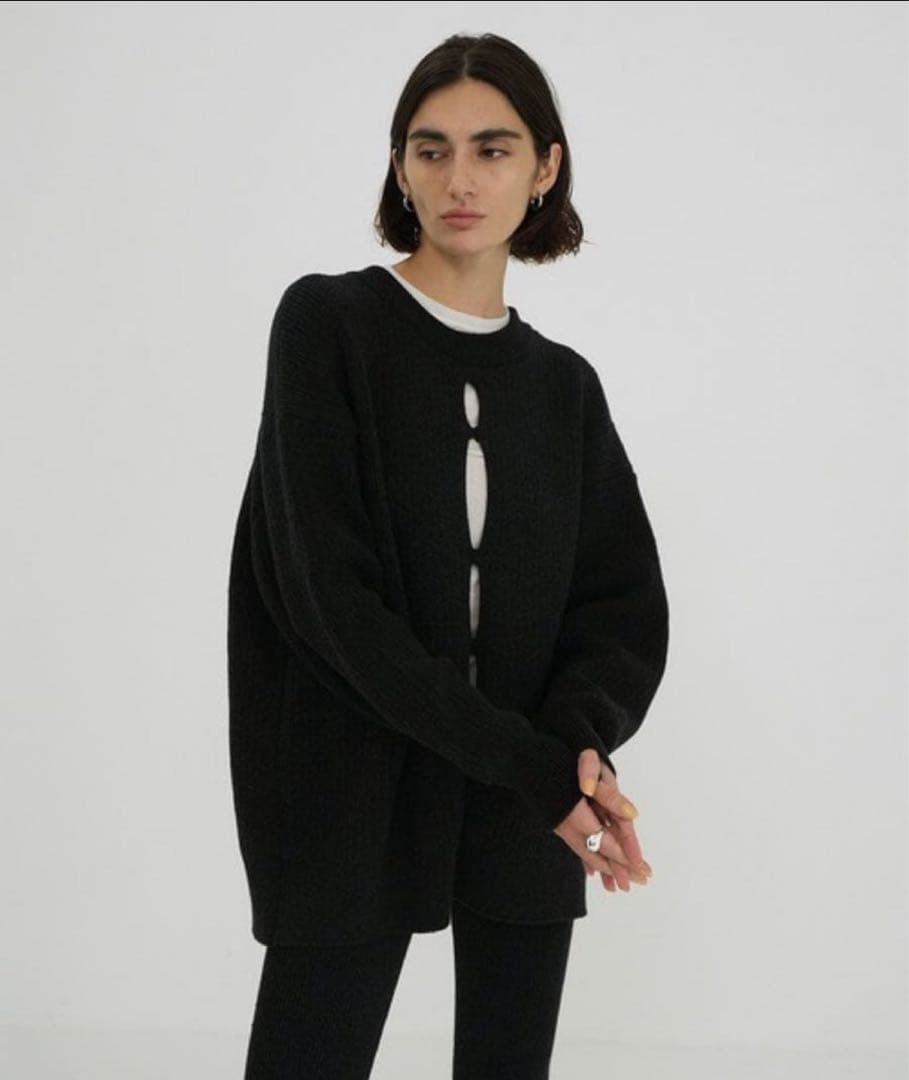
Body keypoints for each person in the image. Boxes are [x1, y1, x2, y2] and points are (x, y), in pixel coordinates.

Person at [228, 31, 670, 1080]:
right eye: (430, 150)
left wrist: (578, 748)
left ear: (544, 167)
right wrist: (536, 768)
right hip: (350, 784)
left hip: (527, 799)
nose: (458, 180)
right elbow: (326, 598)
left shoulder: (563, 389)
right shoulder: (328, 326)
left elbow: (620, 609)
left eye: (492, 149)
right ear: (399, 167)